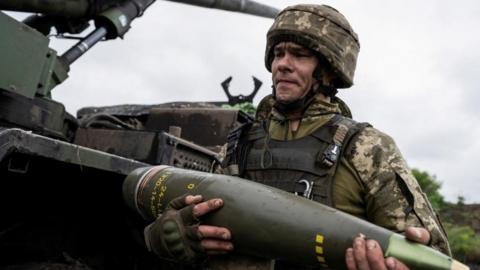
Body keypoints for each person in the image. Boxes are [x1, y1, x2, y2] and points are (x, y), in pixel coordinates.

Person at [143, 4, 451, 269]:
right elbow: (200, 223)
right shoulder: (240, 143)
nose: (282, 65)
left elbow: (434, 254)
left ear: (330, 70)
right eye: (278, 54)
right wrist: (170, 237)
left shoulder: (366, 148)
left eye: (299, 55)